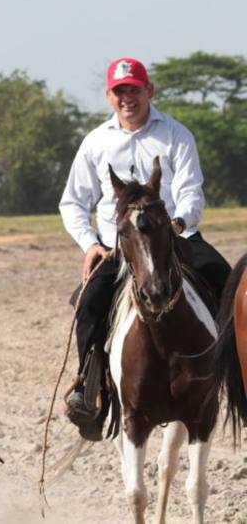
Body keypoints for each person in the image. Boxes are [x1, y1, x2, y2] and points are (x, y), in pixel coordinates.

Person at [59, 57, 232, 439]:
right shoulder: (96, 142)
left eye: (134, 90)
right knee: (90, 304)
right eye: (120, 92)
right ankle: (92, 391)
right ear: (109, 97)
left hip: (176, 238)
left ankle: (238, 381)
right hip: (118, 248)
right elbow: (72, 202)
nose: (127, 98)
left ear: (148, 90)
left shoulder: (175, 134)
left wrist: (178, 223)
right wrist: (90, 244)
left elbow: (191, 192)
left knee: (228, 281)